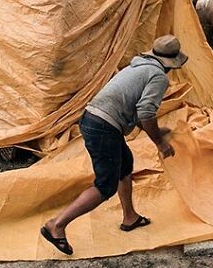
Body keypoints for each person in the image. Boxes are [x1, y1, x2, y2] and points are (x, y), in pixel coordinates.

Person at [41, 35, 188, 255]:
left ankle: (130, 217)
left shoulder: (138, 66)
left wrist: (157, 132)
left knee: (125, 165)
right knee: (105, 185)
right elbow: (146, 112)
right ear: (171, 64)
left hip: (94, 119)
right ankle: (57, 225)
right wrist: (160, 142)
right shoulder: (158, 76)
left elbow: (137, 110)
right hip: (104, 128)